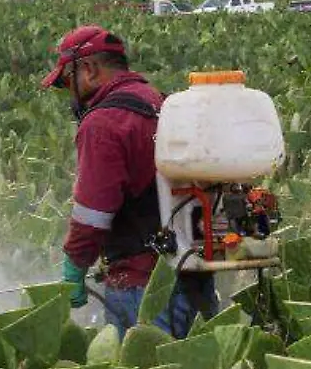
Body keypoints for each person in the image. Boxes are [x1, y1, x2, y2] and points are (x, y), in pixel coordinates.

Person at [43, 25, 216, 336]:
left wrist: (75, 268)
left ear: (89, 69)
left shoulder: (103, 123)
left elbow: (92, 214)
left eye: (68, 81)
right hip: (194, 275)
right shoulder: (162, 103)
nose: (69, 92)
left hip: (143, 285)